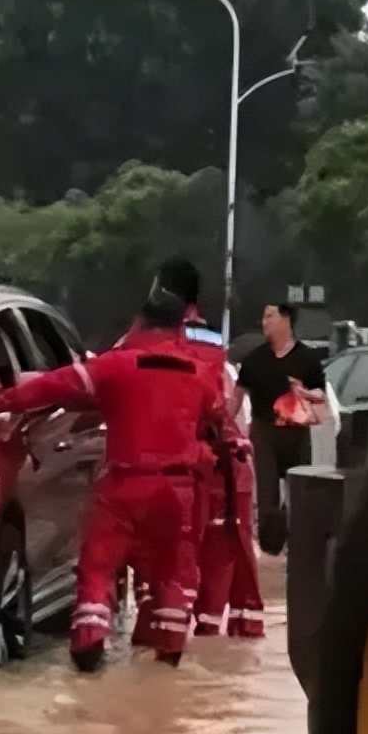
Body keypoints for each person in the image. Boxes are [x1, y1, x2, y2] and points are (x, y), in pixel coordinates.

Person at [0, 289, 241, 671]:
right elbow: (219, 423)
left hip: (124, 485)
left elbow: (54, 385)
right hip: (178, 493)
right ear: (180, 329)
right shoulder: (199, 375)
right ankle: (166, 657)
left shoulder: (116, 366)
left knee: (98, 566)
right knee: (172, 578)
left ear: (139, 324)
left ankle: (89, 640)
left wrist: (1, 401)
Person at [145, 257, 264, 640]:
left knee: (164, 562)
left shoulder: (147, 337)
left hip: (167, 464)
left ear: (161, 291)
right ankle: (213, 636)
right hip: (217, 464)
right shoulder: (214, 345)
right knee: (223, 551)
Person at [234, 303, 328, 555]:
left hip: (297, 432)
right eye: (263, 317)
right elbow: (235, 400)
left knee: (300, 492)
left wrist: (304, 391)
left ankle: (297, 541)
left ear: (286, 319)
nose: (264, 322)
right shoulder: (254, 361)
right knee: (267, 497)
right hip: (265, 432)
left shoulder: (307, 360)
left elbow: (321, 399)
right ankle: (270, 544)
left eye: (269, 316)